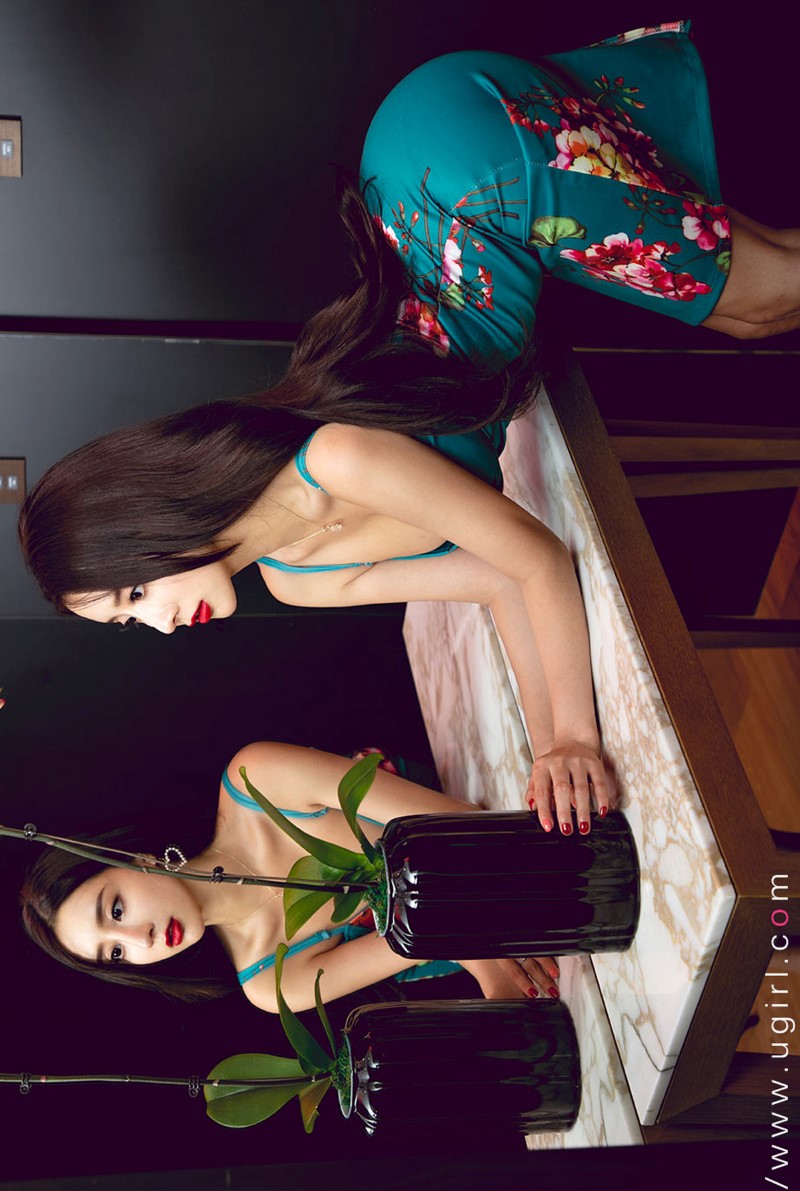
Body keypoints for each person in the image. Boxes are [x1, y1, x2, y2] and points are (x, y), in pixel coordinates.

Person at [19, 25, 799, 834]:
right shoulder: (295, 580)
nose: (157, 623)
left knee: (764, 296)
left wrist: (574, 736)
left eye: (136, 592)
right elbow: (496, 582)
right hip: (430, 171)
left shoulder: (335, 457)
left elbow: (534, 555)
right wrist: (550, 752)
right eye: (128, 621)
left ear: (149, 519)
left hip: (456, 174)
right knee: (756, 280)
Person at [19, 741, 560, 1013]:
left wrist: (491, 966)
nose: (141, 939)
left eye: (115, 910)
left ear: (136, 859)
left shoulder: (255, 781)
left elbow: (461, 825)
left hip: (499, 828)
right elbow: (426, 940)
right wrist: (496, 981)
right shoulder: (269, 982)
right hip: (498, 928)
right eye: (116, 953)